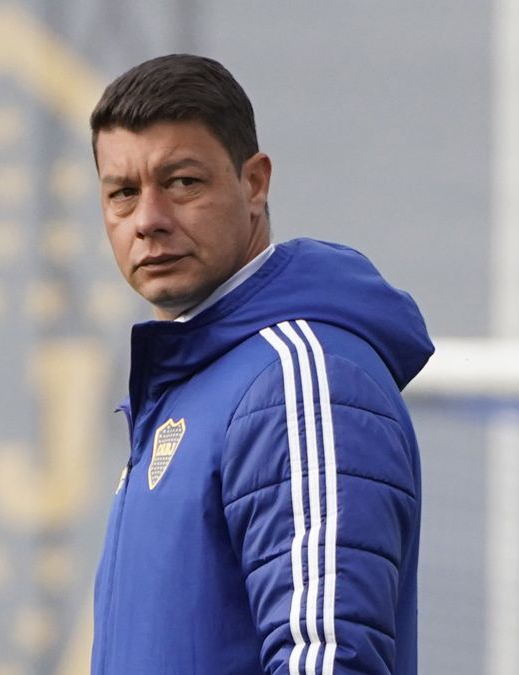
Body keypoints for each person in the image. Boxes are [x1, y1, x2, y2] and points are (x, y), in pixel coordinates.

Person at [89, 54, 434, 675]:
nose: (148, 221)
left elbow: (327, 660)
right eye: (123, 194)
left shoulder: (300, 381)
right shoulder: (191, 385)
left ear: (254, 184)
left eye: (182, 182)